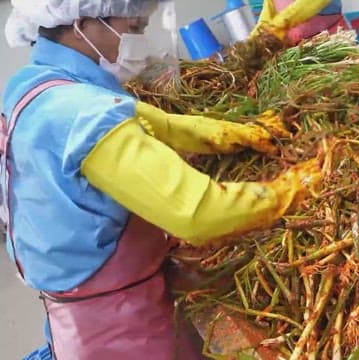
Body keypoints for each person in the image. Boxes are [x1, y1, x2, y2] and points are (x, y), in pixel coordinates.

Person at [1, 0, 322, 359]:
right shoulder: (83, 116)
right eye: (134, 28)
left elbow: (148, 119)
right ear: (82, 24)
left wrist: (227, 133)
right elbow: (200, 213)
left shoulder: (36, 84)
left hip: (73, 305)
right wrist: (295, 186)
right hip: (118, 326)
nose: (140, 39)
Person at [251, 0, 343, 44]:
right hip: (294, 29)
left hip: (323, 19)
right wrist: (253, 39)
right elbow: (269, 7)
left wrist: (280, 23)